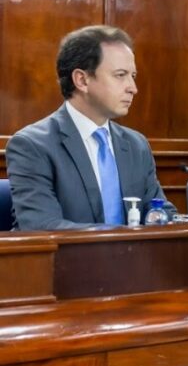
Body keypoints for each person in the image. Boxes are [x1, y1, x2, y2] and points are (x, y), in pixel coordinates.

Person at [6, 25, 175, 230]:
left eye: (133, 76)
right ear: (82, 80)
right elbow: (41, 225)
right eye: (120, 75)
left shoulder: (136, 144)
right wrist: (118, 236)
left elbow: (160, 211)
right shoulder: (33, 145)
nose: (133, 88)